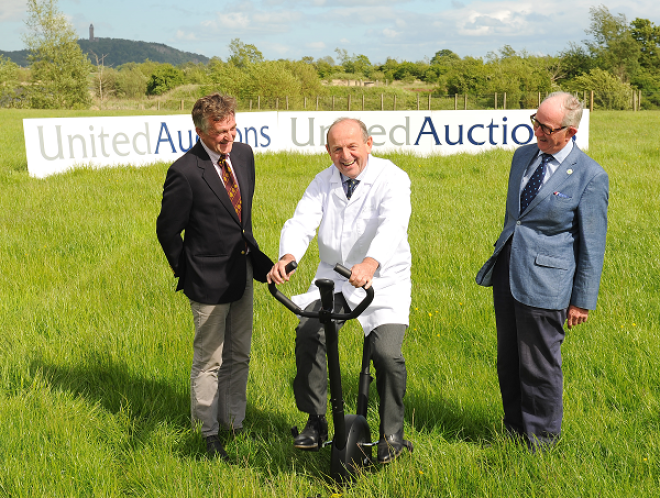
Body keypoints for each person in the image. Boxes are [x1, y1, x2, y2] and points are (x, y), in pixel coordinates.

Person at [267, 117, 413, 464]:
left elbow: (393, 224)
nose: (345, 156)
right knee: (309, 332)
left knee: (387, 355)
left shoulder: (391, 178)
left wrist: (370, 263)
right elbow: (301, 221)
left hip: (383, 281)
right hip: (334, 279)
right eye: (336, 149)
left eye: (352, 147)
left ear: (369, 144)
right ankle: (316, 420)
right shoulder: (323, 181)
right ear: (328, 151)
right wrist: (288, 257)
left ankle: (392, 435)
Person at [476, 92, 609, 452]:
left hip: (548, 283)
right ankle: (514, 430)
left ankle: (542, 444)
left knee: (539, 366)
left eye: (547, 128)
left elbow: (592, 244)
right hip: (507, 272)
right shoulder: (522, 156)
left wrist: (581, 300)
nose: (538, 132)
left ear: (571, 132)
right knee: (508, 361)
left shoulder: (590, 176)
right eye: (535, 122)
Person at [156, 93, 273, 460]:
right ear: (200, 130)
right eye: (220, 132)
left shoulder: (244, 155)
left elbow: (242, 221)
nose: (229, 138)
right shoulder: (185, 171)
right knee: (210, 360)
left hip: (243, 271)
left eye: (233, 129)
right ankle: (207, 433)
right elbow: (167, 231)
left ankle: (235, 424)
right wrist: (188, 271)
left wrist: (258, 260)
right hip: (206, 282)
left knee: (240, 355)